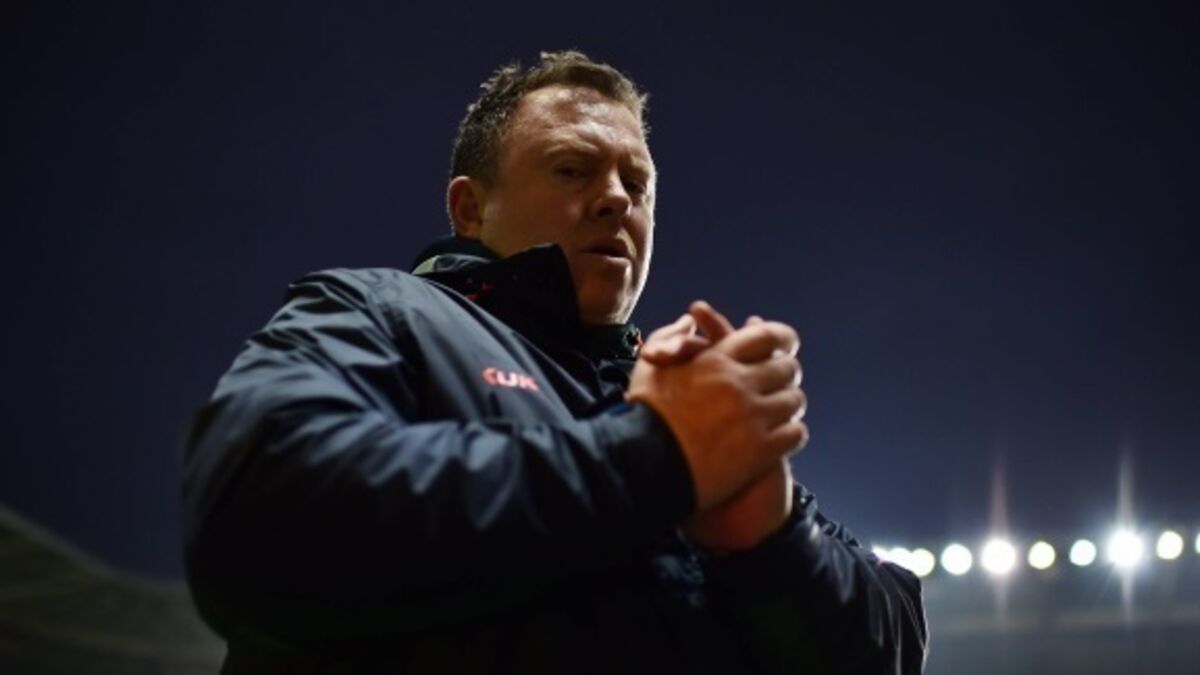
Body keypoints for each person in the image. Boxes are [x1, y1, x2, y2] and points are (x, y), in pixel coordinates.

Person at [182, 51, 928, 674]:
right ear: (470, 209)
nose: (615, 199)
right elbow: (259, 520)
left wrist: (771, 534)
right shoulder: (377, 312)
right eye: (573, 169)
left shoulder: (673, 396)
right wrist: (654, 457)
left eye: (637, 183)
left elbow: (891, 645)